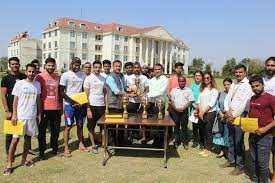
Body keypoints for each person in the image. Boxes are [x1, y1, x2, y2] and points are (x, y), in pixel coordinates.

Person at [3, 63, 41, 175]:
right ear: (26, 72)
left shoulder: (37, 84)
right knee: (14, 141)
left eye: (33, 71)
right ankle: (9, 164)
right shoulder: (19, 83)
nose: (31, 73)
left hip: (32, 117)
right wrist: (14, 115)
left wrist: (39, 113)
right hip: (20, 117)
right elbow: (15, 101)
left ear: (36, 72)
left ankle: (24, 161)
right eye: (29, 71)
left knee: (28, 140)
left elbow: (38, 100)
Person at [222, 64, 253, 176]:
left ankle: (240, 166)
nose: (238, 74)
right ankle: (231, 160)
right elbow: (227, 98)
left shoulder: (248, 85)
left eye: (240, 72)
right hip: (229, 115)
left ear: (245, 73)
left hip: (239, 116)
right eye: (236, 72)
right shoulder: (234, 83)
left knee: (238, 141)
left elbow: (244, 103)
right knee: (230, 139)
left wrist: (233, 115)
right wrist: (226, 111)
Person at [248, 75, 275, 183]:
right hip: (252, 134)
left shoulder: (271, 98)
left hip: (265, 136)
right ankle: (255, 180)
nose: (255, 88)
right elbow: (250, 115)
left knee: (262, 163)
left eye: (257, 85)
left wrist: (265, 129)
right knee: (254, 160)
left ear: (262, 85)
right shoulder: (252, 98)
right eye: (253, 86)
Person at [59, 57, 88, 157]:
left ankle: (81, 144)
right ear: (71, 64)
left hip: (80, 105)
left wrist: (83, 102)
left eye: (78, 65)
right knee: (68, 126)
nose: (77, 66)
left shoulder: (83, 75)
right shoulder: (65, 75)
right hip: (69, 106)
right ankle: (66, 147)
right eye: (75, 64)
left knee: (80, 125)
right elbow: (61, 92)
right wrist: (71, 101)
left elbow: (84, 90)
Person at [35, 58, 62, 159]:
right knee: (42, 132)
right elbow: (37, 94)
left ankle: (54, 149)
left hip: (56, 108)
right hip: (44, 108)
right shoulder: (39, 77)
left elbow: (59, 93)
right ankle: (42, 152)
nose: (51, 67)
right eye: (49, 65)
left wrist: (61, 106)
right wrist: (38, 111)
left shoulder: (58, 77)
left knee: (55, 131)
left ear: (55, 66)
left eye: (52, 65)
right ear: (45, 65)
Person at [1, 57, 26, 158]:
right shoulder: (6, 78)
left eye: (16, 64)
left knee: (23, 132)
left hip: (23, 109)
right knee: (10, 132)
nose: (15, 65)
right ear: (9, 65)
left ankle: (26, 151)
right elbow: (3, 95)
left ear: (19, 65)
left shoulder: (24, 76)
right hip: (11, 109)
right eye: (13, 64)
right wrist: (7, 110)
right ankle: (9, 153)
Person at [84, 61, 106, 154]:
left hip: (101, 105)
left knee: (103, 127)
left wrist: (106, 106)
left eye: (99, 67)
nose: (97, 69)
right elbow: (86, 94)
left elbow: (105, 93)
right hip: (92, 105)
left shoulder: (103, 78)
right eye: (95, 67)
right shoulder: (88, 78)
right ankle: (93, 145)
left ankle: (103, 143)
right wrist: (88, 108)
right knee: (91, 126)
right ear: (93, 68)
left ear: (101, 68)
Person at [196, 72, 218, 157]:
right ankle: (205, 147)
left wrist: (202, 112)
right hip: (201, 113)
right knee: (203, 131)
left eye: (208, 78)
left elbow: (211, 104)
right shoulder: (203, 89)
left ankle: (208, 149)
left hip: (209, 113)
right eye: (204, 78)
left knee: (208, 131)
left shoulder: (214, 90)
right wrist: (198, 110)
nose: (206, 79)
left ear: (211, 79)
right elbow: (198, 101)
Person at [105, 60, 126, 148]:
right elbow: (116, 91)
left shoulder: (121, 75)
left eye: (119, 66)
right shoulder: (110, 77)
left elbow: (124, 87)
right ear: (113, 67)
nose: (118, 68)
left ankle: (120, 144)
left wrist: (132, 89)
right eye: (116, 66)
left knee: (121, 125)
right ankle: (111, 145)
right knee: (112, 126)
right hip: (113, 105)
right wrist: (127, 94)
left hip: (122, 105)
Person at [169, 76, 194, 149]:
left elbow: (190, 101)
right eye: (180, 81)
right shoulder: (174, 90)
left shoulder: (188, 90)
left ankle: (185, 143)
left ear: (185, 82)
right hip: (175, 111)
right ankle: (176, 142)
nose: (182, 82)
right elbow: (171, 101)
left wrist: (184, 107)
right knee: (176, 127)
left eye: (183, 81)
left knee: (184, 127)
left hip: (184, 111)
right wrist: (176, 108)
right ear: (178, 82)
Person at [147, 63, 168, 147]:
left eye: (159, 69)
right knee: (152, 124)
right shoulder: (151, 80)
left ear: (162, 70)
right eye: (155, 69)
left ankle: (160, 144)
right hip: (151, 104)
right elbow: (150, 91)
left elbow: (160, 92)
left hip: (159, 105)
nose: (157, 71)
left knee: (159, 124)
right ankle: (155, 142)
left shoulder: (165, 79)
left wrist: (147, 95)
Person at [212, 78, 232, 158]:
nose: (226, 86)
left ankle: (228, 152)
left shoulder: (233, 94)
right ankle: (221, 151)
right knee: (220, 133)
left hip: (229, 117)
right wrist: (220, 113)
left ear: (231, 85)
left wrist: (226, 114)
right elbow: (216, 104)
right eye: (225, 85)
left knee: (227, 134)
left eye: (228, 84)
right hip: (220, 117)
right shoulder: (221, 94)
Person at [262, 57, 275, 181]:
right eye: (268, 65)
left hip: (274, 120)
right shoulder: (262, 80)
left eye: (272, 65)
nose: (270, 67)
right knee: (264, 148)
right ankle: (263, 172)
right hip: (263, 120)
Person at [190, 70, 203, 148]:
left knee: (201, 127)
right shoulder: (192, 86)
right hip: (194, 109)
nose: (197, 77)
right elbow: (190, 98)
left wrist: (200, 107)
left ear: (202, 77)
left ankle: (202, 142)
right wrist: (195, 106)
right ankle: (195, 141)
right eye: (196, 75)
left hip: (202, 109)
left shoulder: (204, 86)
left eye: (199, 75)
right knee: (194, 126)